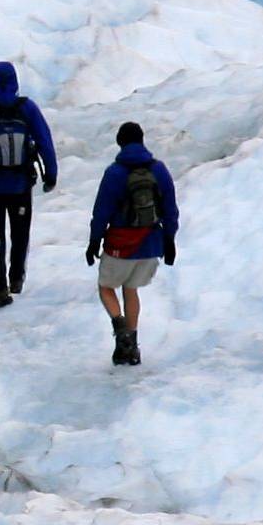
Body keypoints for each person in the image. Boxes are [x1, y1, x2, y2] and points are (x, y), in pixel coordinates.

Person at [86, 121, 178, 366]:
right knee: (131, 289)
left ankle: (121, 331)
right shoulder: (158, 169)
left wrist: (94, 241)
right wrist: (169, 240)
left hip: (120, 243)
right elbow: (170, 208)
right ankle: (132, 346)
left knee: (106, 287)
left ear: (120, 142)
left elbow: (102, 211)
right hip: (150, 244)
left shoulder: (115, 172)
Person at [0, 61, 56, 304]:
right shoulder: (28, 109)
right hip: (21, 184)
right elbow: (45, 142)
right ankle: (16, 277)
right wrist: (51, 174)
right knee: (20, 232)